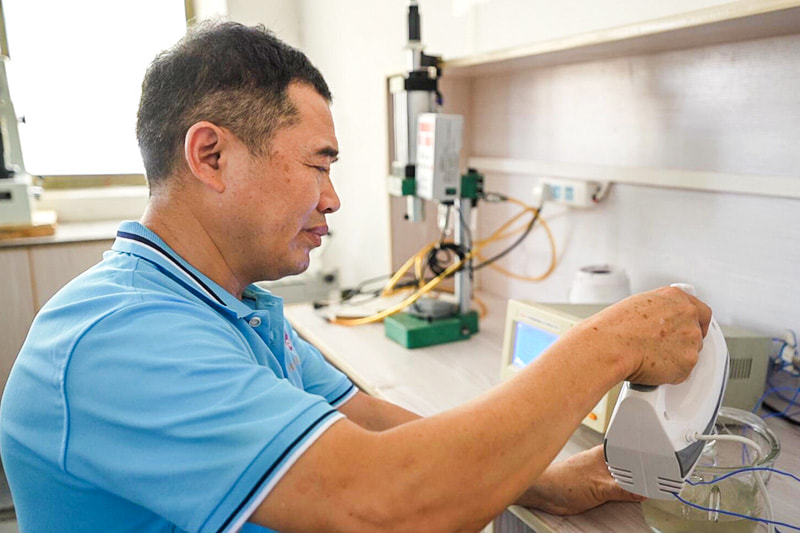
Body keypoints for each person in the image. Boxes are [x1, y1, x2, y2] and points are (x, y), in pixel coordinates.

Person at [0, 21, 711, 533]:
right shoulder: (118, 338)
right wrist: (612, 341)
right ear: (211, 156)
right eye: (318, 164)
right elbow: (386, 502)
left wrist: (543, 482)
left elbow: (361, 419)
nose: (333, 198)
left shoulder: (234, 307)